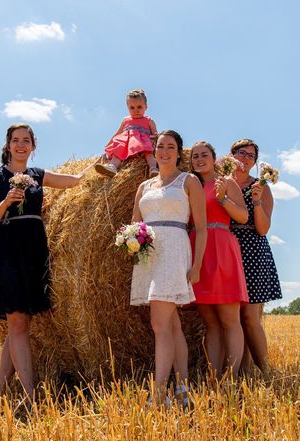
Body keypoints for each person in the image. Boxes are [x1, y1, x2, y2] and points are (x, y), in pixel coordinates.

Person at [0, 123, 95, 402]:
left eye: (26, 140)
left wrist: (102, 164)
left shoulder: (37, 175)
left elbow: (73, 181)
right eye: (16, 140)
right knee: (18, 320)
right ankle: (31, 395)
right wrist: (7, 201)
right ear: (7, 145)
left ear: (33, 145)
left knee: (20, 323)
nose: (21, 145)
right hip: (8, 246)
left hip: (34, 248)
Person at [130, 130, 206, 404]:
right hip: (149, 255)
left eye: (170, 147)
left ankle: (159, 392)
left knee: (159, 323)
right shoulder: (144, 187)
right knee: (172, 326)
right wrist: (130, 241)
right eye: (160, 147)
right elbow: (134, 225)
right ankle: (182, 389)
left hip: (174, 249)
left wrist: (196, 265)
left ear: (178, 152)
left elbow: (202, 227)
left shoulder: (189, 181)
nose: (164, 152)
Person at [189, 142, 249, 378]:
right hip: (197, 250)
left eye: (205, 155)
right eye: (195, 156)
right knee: (211, 323)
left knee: (230, 321)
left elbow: (243, 217)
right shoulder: (189, 186)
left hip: (221, 248)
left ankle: (231, 377)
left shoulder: (226, 182)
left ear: (214, 159)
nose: (200, 159)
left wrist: (223, 199)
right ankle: (214, 377)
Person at [229, 138, 282, 373]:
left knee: (250, 316)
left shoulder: (261, 187)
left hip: (252, 248)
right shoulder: (219, 182)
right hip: (225, 249)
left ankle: (266, 371)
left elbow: (262, 229)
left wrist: (257, 200)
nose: (245, 158)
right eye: (241, 153)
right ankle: (242, 371)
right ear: (231, 155)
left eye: (251, 156)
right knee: (230, 316)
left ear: (255, 163)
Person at [95, 88, 159, 178]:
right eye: (132, 108)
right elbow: (117, 134)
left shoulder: (149, 120)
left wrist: (155, 142)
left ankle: (153, 169)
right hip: (127, 145)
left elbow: (156, 134)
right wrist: (108, 145)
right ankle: (112, 167)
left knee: (148, 153)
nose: (136, 110)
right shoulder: (126, 120)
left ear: (146, 106)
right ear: (127, 108)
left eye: (139, 107)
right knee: (118, 149)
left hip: (143, 144)